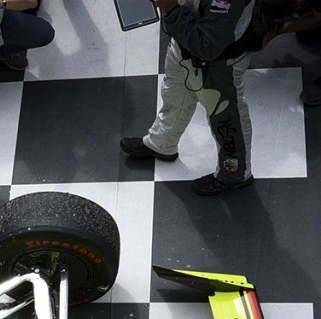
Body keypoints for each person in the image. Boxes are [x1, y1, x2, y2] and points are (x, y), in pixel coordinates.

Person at [120, 0, 298, 195]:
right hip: (183, 43)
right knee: (175, 93)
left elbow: (208, 46)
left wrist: (170, 8)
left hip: (220, 64)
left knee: (225, 121)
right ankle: (161, 143)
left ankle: (234, 173)